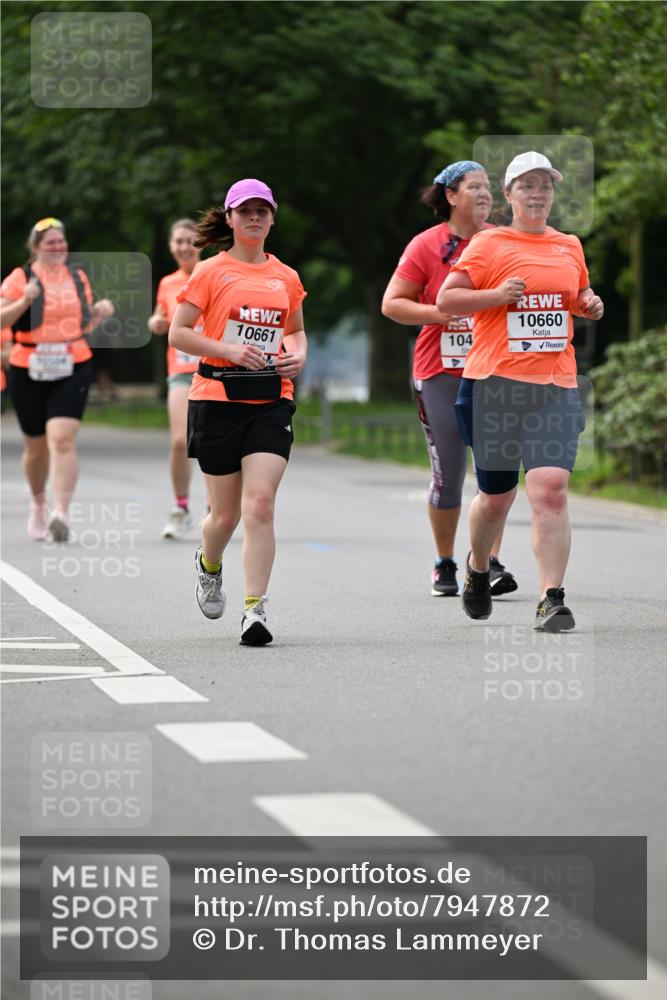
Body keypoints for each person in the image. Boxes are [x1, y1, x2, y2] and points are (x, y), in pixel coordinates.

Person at [437, 151, 604, 631]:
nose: (537, 193)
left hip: (555, 385)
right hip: (495, 386)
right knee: (497, 497)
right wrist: (495, 296)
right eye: (527, 185)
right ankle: (477, 567)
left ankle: (551, 597)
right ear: (508, 194)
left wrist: (588, 304)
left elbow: (576, 296)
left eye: (545, 186)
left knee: (550, 491)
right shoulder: (489, 244)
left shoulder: (569, 245)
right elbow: (448, 299)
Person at [169, 179, 307, 646]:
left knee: (261, 505)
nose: (254, 217)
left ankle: (255, 610)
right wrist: (228, 348)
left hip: (271, 398)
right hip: (216, 398)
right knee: (224, 517)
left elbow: (297, 331)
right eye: (244, 210)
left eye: (262, 210)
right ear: (229, 219)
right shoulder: (210, 271)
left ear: (272, 217)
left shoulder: (285, 275)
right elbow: (179, 333)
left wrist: (297, 354)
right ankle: (209, 566)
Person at [382, 161, 517, 597]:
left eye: (488, 188)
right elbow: (392, 304)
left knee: (494, 469)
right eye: (474, 187)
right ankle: (445, 562)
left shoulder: (502, 240)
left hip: (495, 367)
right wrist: (441, 313)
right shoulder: (426, 245)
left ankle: (490, 561)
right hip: (440, 370)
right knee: (451, 472)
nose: (484, 194)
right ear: (451, 196)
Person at [0, 218, 114, 541]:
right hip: (28, 365)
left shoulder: (77, 277)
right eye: (50, 242)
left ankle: (60, 513)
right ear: (36, 247)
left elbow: (82, 326)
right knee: (36, 447)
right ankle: (39, 505)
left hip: (72, 361)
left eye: (61, 242)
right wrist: (25, 299)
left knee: (62, 439)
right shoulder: (20, 278)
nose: (57, 247)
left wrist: (99, 314)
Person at [148, 218, 204, 539]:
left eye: (191, 241)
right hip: (181, 373)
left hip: (213, 370)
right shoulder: (168, 283)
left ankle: (215, 505)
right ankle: (181, 507)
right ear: (171, 246)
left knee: (210, 442)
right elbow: (160, 316)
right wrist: (155, 322)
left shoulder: (212, 274)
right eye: (179, 241)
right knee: (180, 442)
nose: (185, 247)